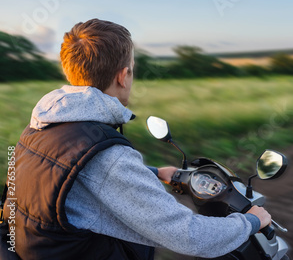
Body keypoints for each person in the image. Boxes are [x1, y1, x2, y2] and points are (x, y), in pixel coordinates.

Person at [4, 18, 271, 260]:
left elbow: (66, 173)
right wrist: (251, 222)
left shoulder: (43, 123)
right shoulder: (108, 156)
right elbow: (188, 235)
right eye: (131, 69)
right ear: (123, 76)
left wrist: (153, 172)